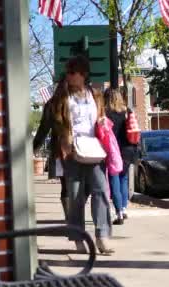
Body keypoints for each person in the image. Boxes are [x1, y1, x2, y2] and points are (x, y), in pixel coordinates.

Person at [50, 55, 114, 254]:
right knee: (76, 197)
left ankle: (102, 236)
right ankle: (79, 238)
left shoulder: (95, 94)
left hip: (94, 149)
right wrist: (64, 138)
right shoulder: (62, 96)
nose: (68, 76)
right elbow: (57, 118)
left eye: (72, 72)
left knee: (101, 191)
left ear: (83, 74)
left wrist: (103, 121)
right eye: (67, 72)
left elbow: (101, 115)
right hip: (73, 151)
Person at [33, 79, 69, 220]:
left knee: (65, 185)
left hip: (59, 151)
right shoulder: (77, 102)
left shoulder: (51, 104)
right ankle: (75, 214)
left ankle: (70, 217)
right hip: (79, 150)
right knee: (79, 183)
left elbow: (43, 130)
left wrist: (33, 147)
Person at [104, 88, 137, 225]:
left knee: (114, 180)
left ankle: (118, 213)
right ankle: (123, 209)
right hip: (129, 149)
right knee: (124, 179)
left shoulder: (106, 113)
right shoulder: (127, 111)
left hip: (113, 150)